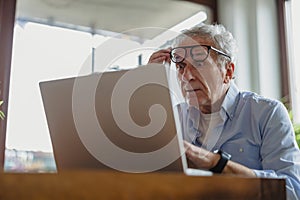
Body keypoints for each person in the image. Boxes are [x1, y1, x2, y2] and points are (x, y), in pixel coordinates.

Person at [148, 23, 300, 200]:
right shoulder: (173, 117)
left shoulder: (266, 113)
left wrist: (217, 163)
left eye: (198, 63)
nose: (186, 76)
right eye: (181, 67)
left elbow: (292, 191)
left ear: (228, 71)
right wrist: (148, 87)